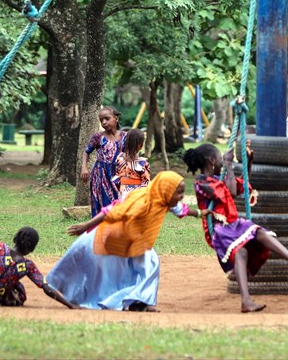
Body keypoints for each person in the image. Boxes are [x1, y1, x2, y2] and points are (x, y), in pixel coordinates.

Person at [47, 171, 196, 311]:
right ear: (167, 190)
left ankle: (139, 300)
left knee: (150, 264)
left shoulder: (162, 200)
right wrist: (87, 225)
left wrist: (201, 213)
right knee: (105, 274)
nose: (181, 196)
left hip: (135, 243)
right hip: (112, 239)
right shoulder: (142, 202)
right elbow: (112, 211)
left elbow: (180, 209)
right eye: (179, 192)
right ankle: (112, 299)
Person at [183, 143, 288, 313]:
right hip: (220, 230)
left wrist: (248, 163)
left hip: (234, 224)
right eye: (219, 159)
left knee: (257, 233)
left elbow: (242, 185)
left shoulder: (220, 178)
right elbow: (231, 191)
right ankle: (246, 301)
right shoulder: (202, 183)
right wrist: (229, 166)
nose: (221, 162)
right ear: (211, 160)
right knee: (241, 250)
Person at [80, 106, 123, 217]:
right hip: (100, 175)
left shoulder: (125, 136)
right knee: (102, 202)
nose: (104, 122)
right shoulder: (98, 137)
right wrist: (84, 168)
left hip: (119, 174)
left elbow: (131, 154)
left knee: (119, 201)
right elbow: (86, 152)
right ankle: (99, 229)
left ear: (116, 119)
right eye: (101, 120)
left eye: (107, 118)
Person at [114, 128, 150, 196]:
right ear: (141, 146)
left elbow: (116, 177)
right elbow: (145, 183)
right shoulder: (143, 163)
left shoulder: (119, 158)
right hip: (136, 196)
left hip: (122, 193)